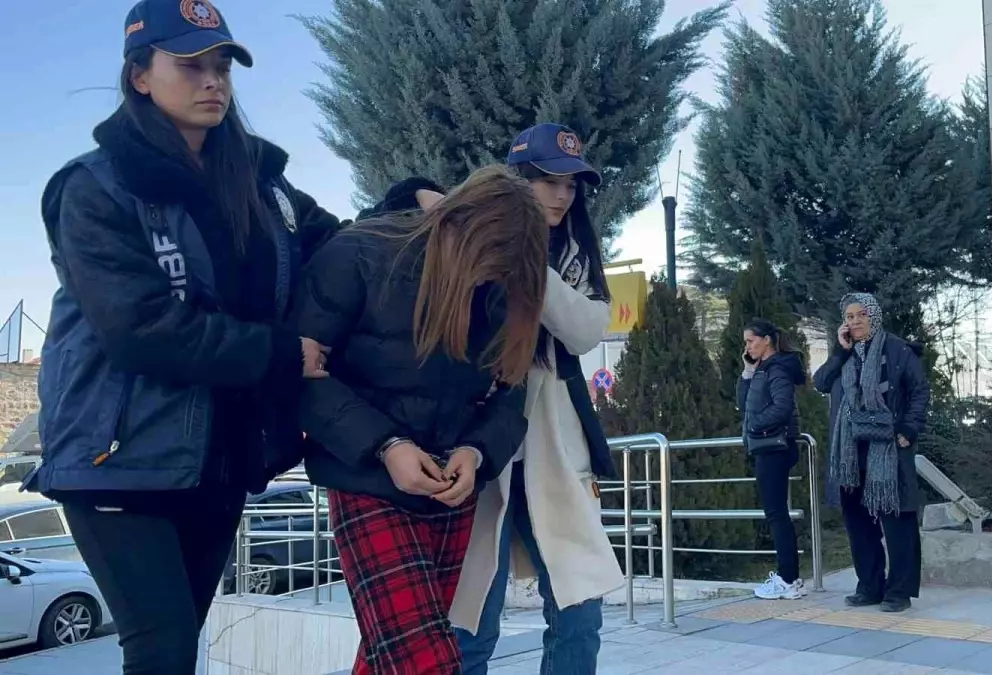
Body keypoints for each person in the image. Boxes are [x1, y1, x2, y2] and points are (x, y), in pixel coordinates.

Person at [26, 1, 344, 672]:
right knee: (162, 649)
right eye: (191, 65)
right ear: (140, 76)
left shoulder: (262, 187)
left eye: (222, 66)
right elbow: (139, 328)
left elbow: (342, 251)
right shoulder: (95, 188)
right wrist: (279, 354)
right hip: (119, 458)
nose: (213, 81)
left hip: (219, 457)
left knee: (178, 647)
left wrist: (410, 204)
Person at [292, 165, 550, 675]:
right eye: (483, 265)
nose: (486, 281)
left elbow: (509, 394)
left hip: (450, 491)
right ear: (455, 228)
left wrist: (477, 453)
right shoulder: (357, 253)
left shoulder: (503, 282)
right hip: (365, 480)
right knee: (425, 661)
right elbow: (299, 376)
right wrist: (386, 445)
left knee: (390, 656)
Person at [387, 123, 624, 674]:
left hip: (555, 455)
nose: (562, 195)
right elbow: (398, 217)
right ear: (518, 179)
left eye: (571, 185)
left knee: (580, 612)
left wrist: (525, 261)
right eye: (549, 181)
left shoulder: (573, 257)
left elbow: (586, 330)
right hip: (475, 449)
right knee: (471, 622)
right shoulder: (469, 245)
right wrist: (436, 201)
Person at [814, 293, 930, 613]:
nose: (855, 321)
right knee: (858, 523)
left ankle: (899, 592)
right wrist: (840, 351)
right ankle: (869, 586)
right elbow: (820, 383)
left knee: (897, 521)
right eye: (849, 317)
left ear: (874, 315)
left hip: (888, 447)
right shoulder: (845, 353)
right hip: (851, 451)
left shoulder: (897, 349)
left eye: (861, 314)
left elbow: (919, 391)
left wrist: (909, 429)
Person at [738, 318, 809, 600]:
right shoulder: (762, 369)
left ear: (766, 340)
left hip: (774, 446)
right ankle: (790, 578)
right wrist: (747, 371)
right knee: (777, 512)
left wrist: (754, 426)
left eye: (751, 340)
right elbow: (742, 404)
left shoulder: (777, 369)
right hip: (768, 446)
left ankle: (787, 579)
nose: (747, 346)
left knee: (776, 514)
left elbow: (782, 407)